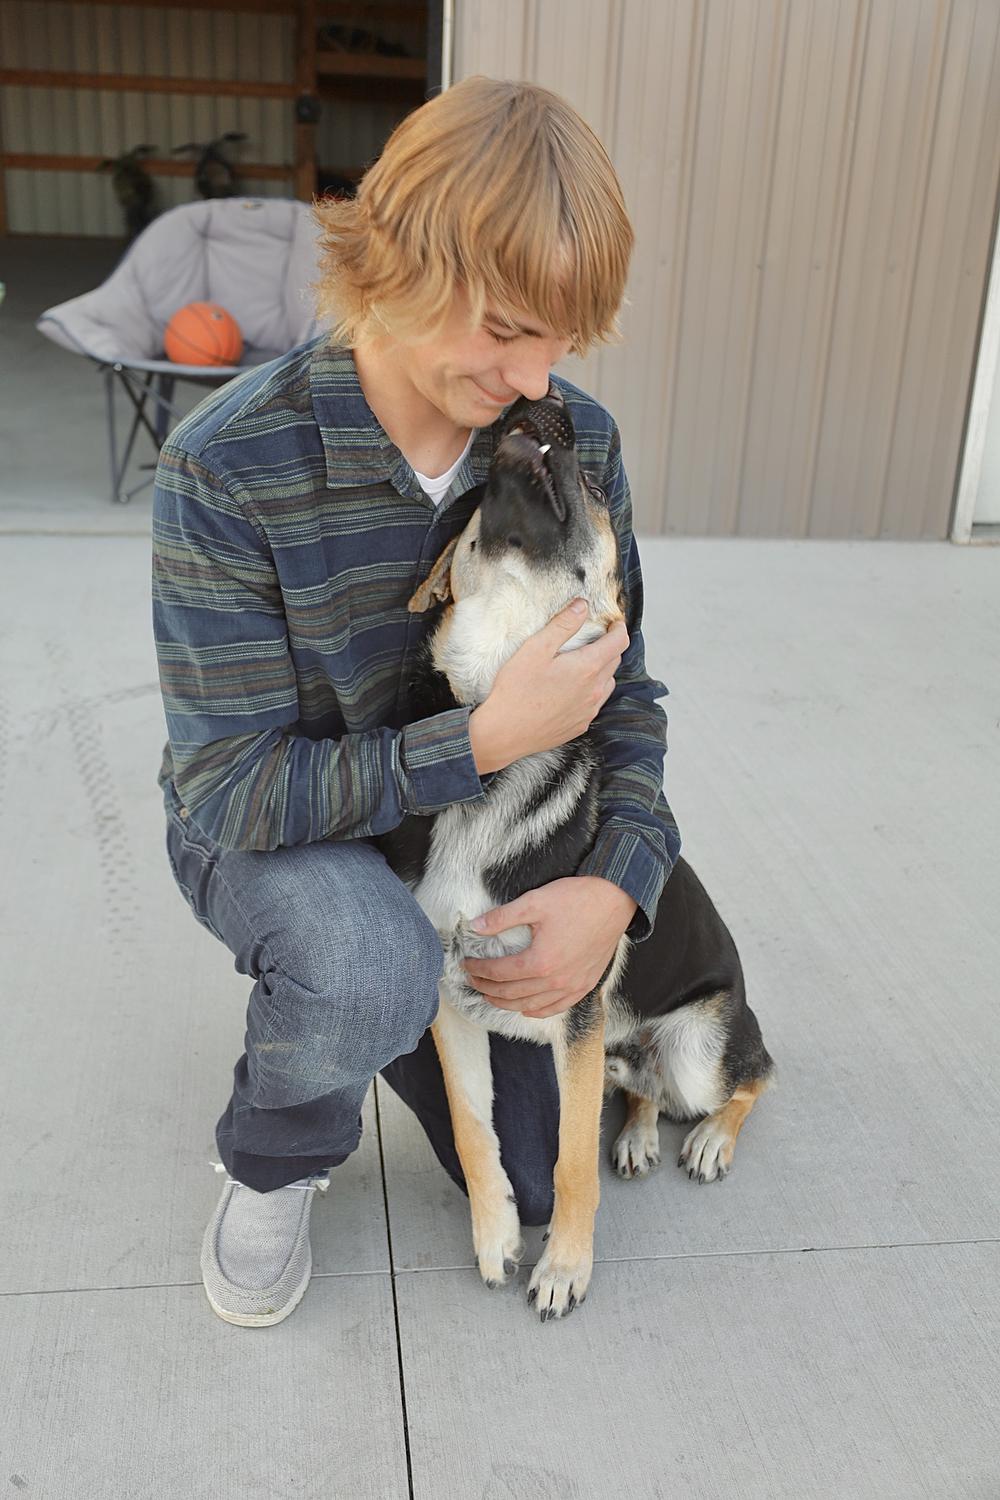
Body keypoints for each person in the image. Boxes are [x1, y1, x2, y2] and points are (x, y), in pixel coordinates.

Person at [152, 75, 681, 1328]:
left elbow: (626, 695)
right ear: (394, 264)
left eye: (560, 340)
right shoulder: (228, 466)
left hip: (474, 833)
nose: (534, 376)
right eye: (505, 329)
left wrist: (615, 892)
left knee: (539, 1183)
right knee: (366, 964)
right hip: (288, 824)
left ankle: (384, 998)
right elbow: (232, 787)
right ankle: (277, 1146)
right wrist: (483, 739)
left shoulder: (570, 439)